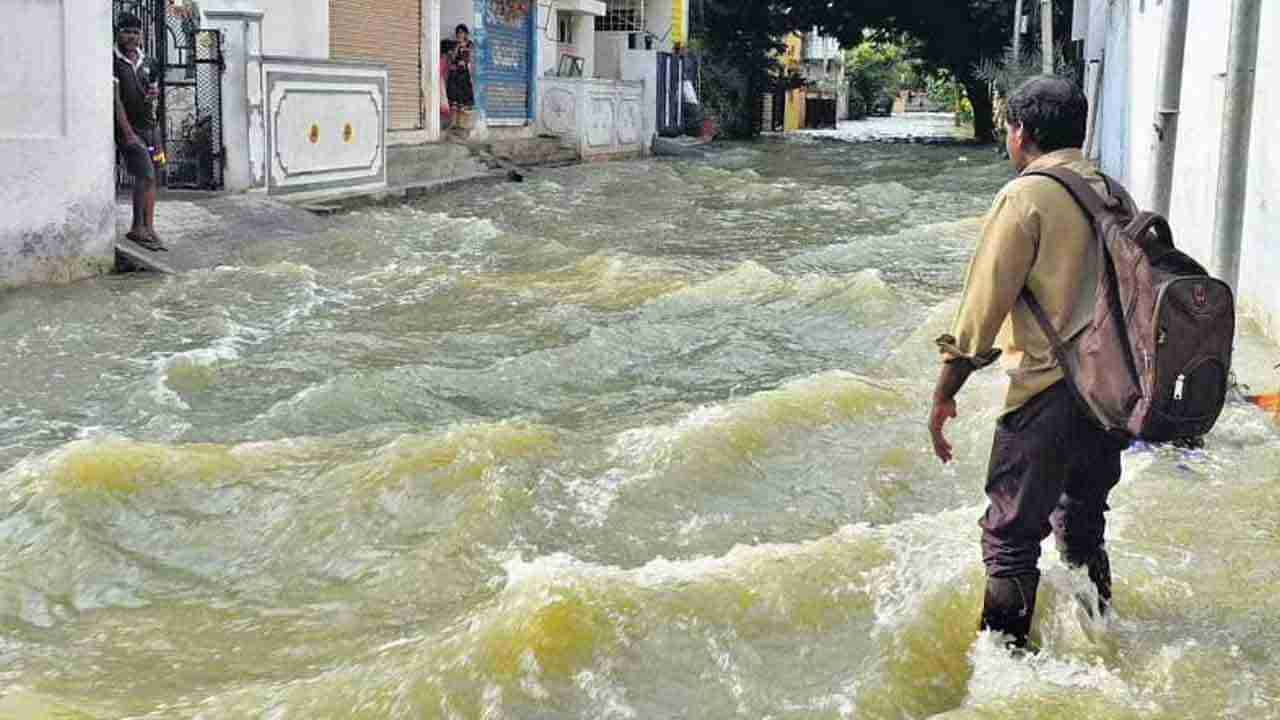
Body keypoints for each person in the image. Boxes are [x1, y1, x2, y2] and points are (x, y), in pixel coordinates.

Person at [927, 76, 1125, 651]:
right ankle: (1102, 634)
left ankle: (1004, 670)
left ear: (1021, 133)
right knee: (1083, 526)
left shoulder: (1025, 197)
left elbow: (978, 316)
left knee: (1011, 537)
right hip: (1110, 396)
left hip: (1047, 394)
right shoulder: (1112, 192)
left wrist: (945, 392)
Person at [113, 12, 166, 252]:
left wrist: (153, 95)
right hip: (130, 130)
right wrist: (128, 134)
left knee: (154, 174)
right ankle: (136, 227)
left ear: (141, 34)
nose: (132, 37)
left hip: (151, 129)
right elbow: (116, 101)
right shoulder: (113, 61)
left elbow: (154, 92)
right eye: (127, 31)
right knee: (144, 173)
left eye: (135, 32)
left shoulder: (150, 62)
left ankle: (149, 227)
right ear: (118, 33)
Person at [447, 24, 475, 112]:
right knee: (453, 76)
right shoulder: (454, 44)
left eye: (462, 32)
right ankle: (455, 103)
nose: (459, 34)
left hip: (467, 70)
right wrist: (458, 45)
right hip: (456, 70)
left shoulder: (470, 44)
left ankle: (464, 104)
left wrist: (466, 62)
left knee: (463, 79)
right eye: (458, 33)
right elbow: (452, 59)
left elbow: (473, 58)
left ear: (466, 34)